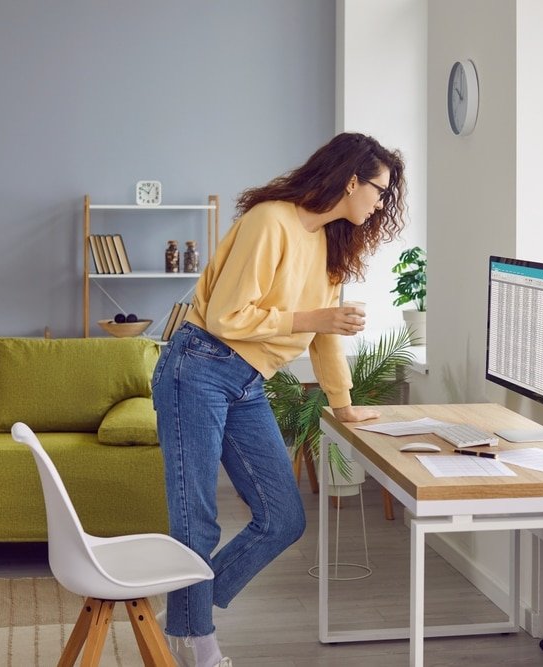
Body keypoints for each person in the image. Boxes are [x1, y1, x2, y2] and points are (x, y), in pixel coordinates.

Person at [151, 132, 407, 667]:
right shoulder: (272, 220)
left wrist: (342, 403)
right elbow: (226, 316)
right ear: (351, 180)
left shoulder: (332, 243)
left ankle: (184, 611)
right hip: (197, 366)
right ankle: (198, 644)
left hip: (247, 380)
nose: (381, 203)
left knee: (284, 516)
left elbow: (326, 336)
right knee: (197, 518)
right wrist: (315, 318)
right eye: (379, 191)